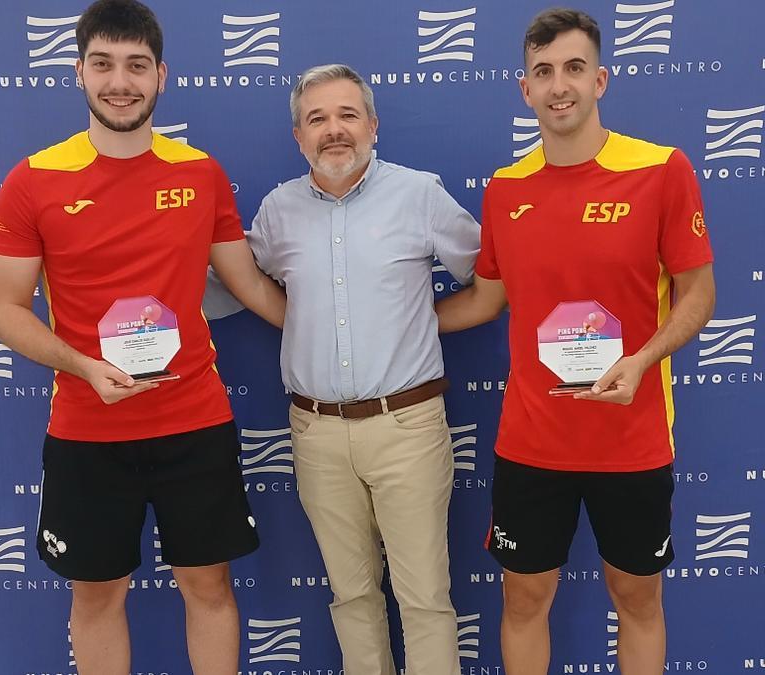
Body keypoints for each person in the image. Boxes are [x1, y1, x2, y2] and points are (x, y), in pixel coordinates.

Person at [0, 1, 284, 672]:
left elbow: (250, 286)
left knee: (209, 587)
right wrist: (81, 364)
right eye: (105, 64)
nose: (121, 81)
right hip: (87, 429)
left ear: (161, 76)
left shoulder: (200, 174)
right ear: (80, 72)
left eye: (136, 66)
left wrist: (344, 333)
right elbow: (5, 308)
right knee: (96, 594)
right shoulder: (32, 181)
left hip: (194, 422)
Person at [435, 8, 716, 675]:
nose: (559, 85)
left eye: (573, 68)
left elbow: (699, 293)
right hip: (533, 440)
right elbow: (486, 298)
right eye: (543, 72)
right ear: (524, 89)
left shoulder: (661, 169)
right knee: (525, 596)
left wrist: (643, 359)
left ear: (600, 80)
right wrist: (394, 318)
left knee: (637, 596)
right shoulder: (506, 190)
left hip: (632, 434)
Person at [241, 64, 480, 675]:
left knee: (424, 599)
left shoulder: (419, 195)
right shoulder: (278, 211)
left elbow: (491, 283)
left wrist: (420, 321)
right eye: (316, 119)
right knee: (351, 597)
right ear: (299, 137)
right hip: (316, 434)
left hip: (407, 427)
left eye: (347, 115)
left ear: (373, 125)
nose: (334, 130)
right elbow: (241, 283)